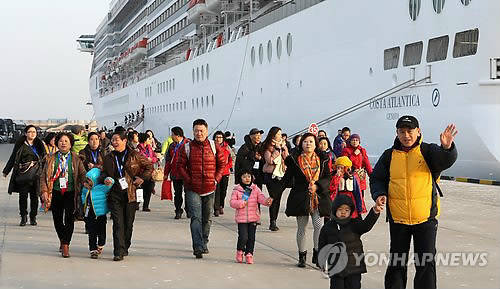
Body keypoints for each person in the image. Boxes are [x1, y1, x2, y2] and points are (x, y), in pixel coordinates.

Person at [370, 115, 458, 289]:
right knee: (397, 263)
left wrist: (447, 147)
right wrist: (379, 194)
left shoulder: (428, 151)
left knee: (425, 264)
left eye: (410, 131)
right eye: (402, 131)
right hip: (398, 219)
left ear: (418, 131)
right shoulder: (389, 156)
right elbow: (377, 178)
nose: (406, 135)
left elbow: (444, 160)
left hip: (425, 219)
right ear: (396, 133)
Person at [101, 130, 153, 261]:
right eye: (112, 140)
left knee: (128, 223)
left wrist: (141, 178)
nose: (114, 142)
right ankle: (118, 250)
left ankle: (125, 245)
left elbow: (149, 167)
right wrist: (105, 178)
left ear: (124, 141)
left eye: (117, 139)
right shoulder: (108, 158)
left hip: (131, 193)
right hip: (115, 193)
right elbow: (103, 173)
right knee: (118, 223)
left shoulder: (135, 155)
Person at [177, 119, 225, 259]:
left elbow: (223, 164)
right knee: (196, 217)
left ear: (207, 131)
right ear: (192, 131)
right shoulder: (186, 147)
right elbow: (180, 166)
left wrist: (216, 179)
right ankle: (197, 246)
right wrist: (189, 180)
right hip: (193, 188)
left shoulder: (214, 146)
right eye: (196, 131)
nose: (199, 133)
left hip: (210, 187)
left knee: (207, 218)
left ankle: (204, 242)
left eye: (201, 130)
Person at [282, 132, 331, 268]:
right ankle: (302, 255)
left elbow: (327, 177)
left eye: (310, 142)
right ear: (301, 144)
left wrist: (317, 186)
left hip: (318, 197)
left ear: (316, 144)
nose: (308, 144)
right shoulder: (294, 160)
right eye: (305, 142)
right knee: (302, 228)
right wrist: (274, 195)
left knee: (319, 226)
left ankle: (318, 254)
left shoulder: (323, 159)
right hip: (301, 197)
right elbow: (287, 178)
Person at [318, 194, 383, 289]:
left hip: (354, 268)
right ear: (335, 210)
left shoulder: (354, 224)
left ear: (351, 211)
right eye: (340, 209)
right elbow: (322, 245)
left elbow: (366, 225)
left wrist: (375, 211)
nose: (343, 212)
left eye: (346, 210)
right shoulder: (328, 227)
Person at [40, 132, 87, 258]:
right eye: (61, 141)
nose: (63, 143)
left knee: (69, 218)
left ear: (71, 144)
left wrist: (88, 183)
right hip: (55, 192)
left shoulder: (76, 158)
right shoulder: (50, 158)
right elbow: (43, 177)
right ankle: (62, 238)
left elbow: (83, 174)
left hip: (71, 193)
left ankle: (66, 244)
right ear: (57, 143)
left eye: (66, 141)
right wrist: (44, 191)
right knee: (57, 218)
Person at [3, 125, 47, 226]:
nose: (32, 134)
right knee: (23, 197)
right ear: (26, 133)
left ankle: (33, 217)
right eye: (30, 132)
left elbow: (44, 160)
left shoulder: (39, 144)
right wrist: (6, 170)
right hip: (23, 174)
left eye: (34, 132)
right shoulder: (20, 144)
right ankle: (23, 216)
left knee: (34, 197)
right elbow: (13, 157)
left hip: (36, 175)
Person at [230, 169, 273, 264]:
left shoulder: (255, 189)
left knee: (251, 237)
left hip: (253, 217)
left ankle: (249, 254)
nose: (247, 178)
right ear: (240, 178)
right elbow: (232, 202)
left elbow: (261, 198)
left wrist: (266, 201)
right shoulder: (237, 190)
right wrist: (241, 203)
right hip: (241, 218)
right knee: (243, 237)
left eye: (249, 176)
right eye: (244, 177)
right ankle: (240, 251)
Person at [81, 168, 114, 259]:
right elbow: (83, 195)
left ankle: (101, 243)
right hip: (90, 213)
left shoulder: (101, 188)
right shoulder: (85, 188)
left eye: (90, 180)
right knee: (92, 232)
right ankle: (93, 249)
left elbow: (111, 184)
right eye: (87, 180)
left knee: (101, 231)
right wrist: (84, 202)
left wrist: (109, 180)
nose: (88, 183)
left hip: (101, 214)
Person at [261, 126, 289, 231]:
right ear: (273, 135)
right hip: (270, 175)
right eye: (277, 134)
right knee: (273, 197)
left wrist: (284, 148)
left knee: (278, 197)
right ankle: (272, 221)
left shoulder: (283, 145)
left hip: (281, 174)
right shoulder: (267, 146)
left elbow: (287, 158)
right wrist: (277, 150)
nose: (280, 136)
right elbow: (270, 160)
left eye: (280, 134)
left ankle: (274, 220)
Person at [164, 127, 189, 219]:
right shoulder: (171, 146)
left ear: (178, 135)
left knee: (188, 193)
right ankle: (178, 210)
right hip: (175, 173)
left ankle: (188, 209)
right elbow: (168, 161)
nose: (171, 136)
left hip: (186, 174)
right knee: (177, 193)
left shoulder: (188, 144)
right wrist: (166, 174)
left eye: (172, 134)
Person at [137, 132, 158, 212]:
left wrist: (151, 159)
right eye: (149, 139)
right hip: (141, 172)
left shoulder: (150, 148)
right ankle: (137, 204)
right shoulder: (138, 149)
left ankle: (146, 206)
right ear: (145, 140)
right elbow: (138, 159)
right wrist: (147, 160)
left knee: (149, 189)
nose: (150, 140)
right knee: (140, 189)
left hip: (150, 172)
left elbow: (155, 158)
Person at [213, 131, 232, 217]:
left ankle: (221, 206)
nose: (218, 139)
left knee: (223, 191)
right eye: (216, 137)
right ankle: (216, 208)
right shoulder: (212, 146)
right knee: (216, 190)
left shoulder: (227, 147)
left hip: (225, 172)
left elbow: (232, 158)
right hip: (215, 172)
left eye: (220, 137)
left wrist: (227, 166)